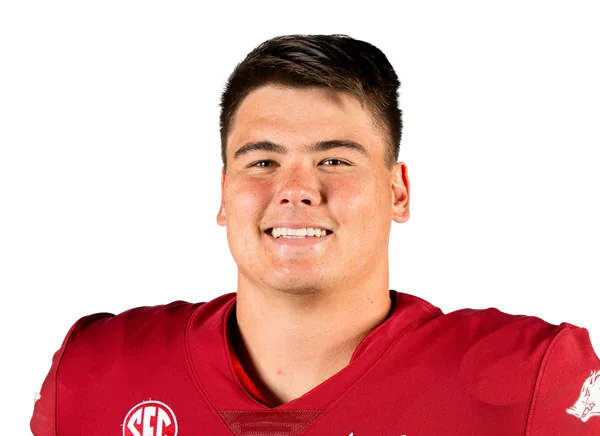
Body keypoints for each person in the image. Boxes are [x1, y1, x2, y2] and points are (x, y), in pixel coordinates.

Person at [30, 31, 598, 435]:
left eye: (334, 160)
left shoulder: (533, 377)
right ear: (223, 195)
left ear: (399, 192)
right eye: (262, 161)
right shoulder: (94, 367)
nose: (296, 190)